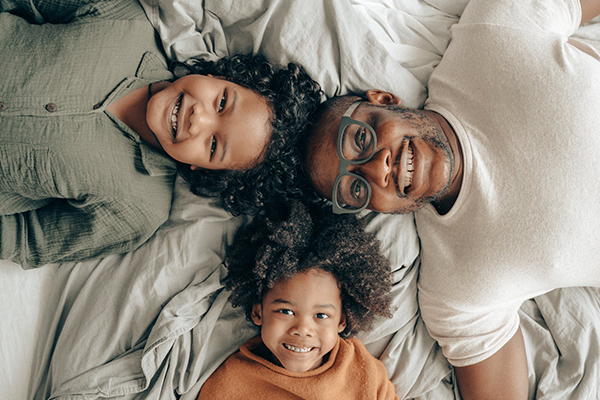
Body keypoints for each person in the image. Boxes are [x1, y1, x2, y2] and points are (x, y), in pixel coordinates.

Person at [300, 0, 600, 399]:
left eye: (360, 139)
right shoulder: (455, 290)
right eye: (356, 189)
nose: (377, 169)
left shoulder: (490, 36)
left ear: (384, 101)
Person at [0, 0, 321, 268]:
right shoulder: (125, 20)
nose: (199, 120)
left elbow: (27, 240)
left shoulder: (137, 211)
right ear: (218, 75)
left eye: (212, 146)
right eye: (222, 101)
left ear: (204, 170)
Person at [197, 200, 398, 399]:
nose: (302, 329)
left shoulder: (361, 370)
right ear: (258, 312)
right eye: (286, 311)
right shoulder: (231, 382)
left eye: (321, 315)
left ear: (342, 320)